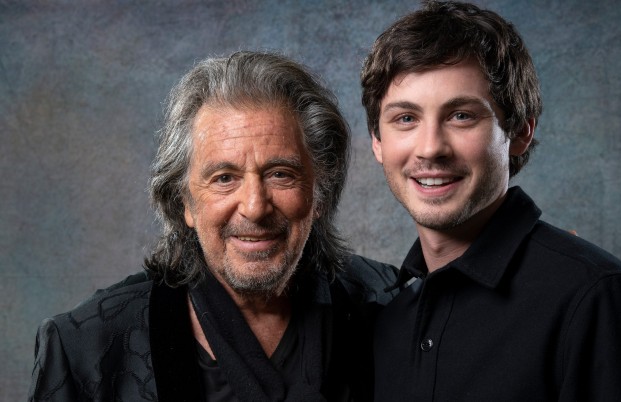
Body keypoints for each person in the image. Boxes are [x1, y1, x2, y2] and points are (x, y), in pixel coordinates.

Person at [361, 1, 621, 401]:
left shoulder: (600, 302)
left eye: (462, 115)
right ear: (377, 141)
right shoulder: (389, 322)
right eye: (406, 119)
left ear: (519, 132)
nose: (430, 148)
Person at [29, 51, 395, 401]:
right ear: (184, 203)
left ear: (319, 192)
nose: (254, 207)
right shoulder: (86, 349)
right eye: (224, 178)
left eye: (280, 174)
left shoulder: (391, 307)